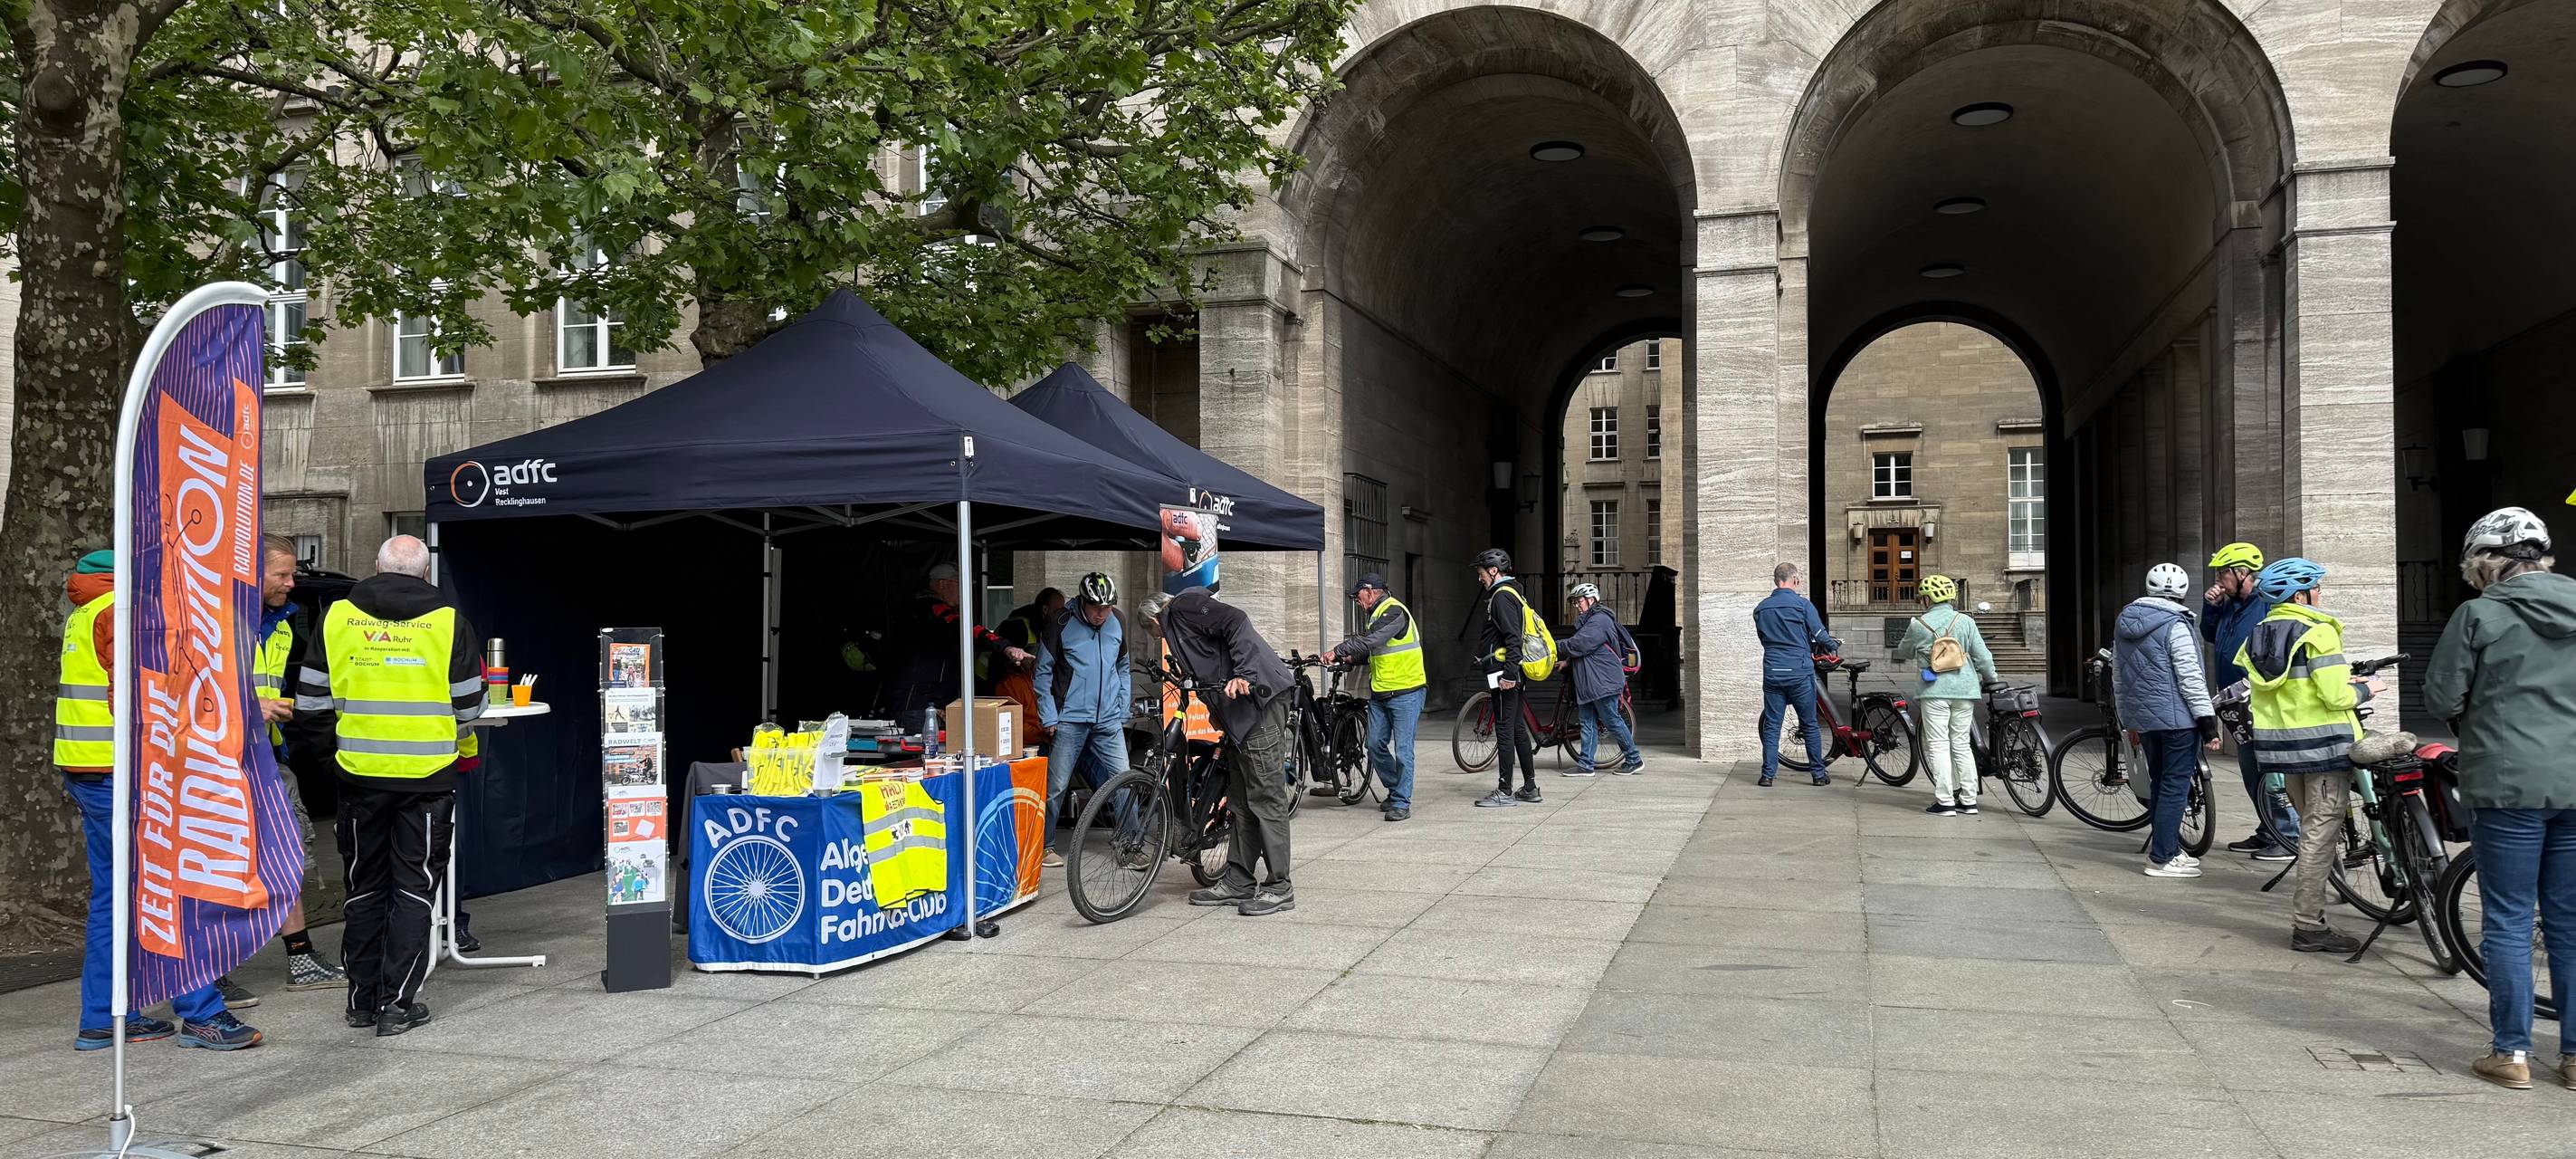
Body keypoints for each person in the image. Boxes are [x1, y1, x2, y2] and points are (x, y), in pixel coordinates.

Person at [56, 549, 264, 1051]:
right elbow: (134, 697)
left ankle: (103, 1018)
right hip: (125, 773)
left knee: (113, 898)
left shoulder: (86, 610)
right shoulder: (118, 610)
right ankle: (201, 1015)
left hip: (90, 769)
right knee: (173, 890)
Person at [295, 534, 484, 1036]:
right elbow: (469, 706)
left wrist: (332, 760)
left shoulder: (336, 617)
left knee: (363, 888)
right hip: (427, 781)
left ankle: (361, 1002)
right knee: (414, 889)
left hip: (358, 777)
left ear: (374, 567)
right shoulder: (449, 622)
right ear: (425, 575)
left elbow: (310, 704)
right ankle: (397, 1006)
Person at [2422, 507, 2576, 1090]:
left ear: (2489, 564)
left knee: (2509, 919)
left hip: (2507, 783)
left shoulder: (2479, 616)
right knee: (2569, 921)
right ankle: (2575, 1056)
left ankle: (2510, 1053)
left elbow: (2440, 696)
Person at [2235, 556, 2388, 953]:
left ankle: (2323, 903)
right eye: (2316, 587)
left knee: (2310, 829)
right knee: (2319, 837)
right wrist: (2368, 689)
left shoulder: (2259, 633)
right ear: (2300, 593)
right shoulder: (2319, 632)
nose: (2320, 593)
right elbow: (2335, 695)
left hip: (2282, 751)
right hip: (2324, 749)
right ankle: (2308, 925)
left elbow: (2286, 687)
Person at [1136, 589, 1295, 915]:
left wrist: (1244, 674)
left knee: (1266, 798)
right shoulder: (1179, 627)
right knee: (1240, 800)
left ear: (1153, 620)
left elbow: (1236, 621)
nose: (1157, 636)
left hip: (1259, 703)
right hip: (1240, 714)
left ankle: (1280, 887)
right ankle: (1238, 880)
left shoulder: (1182, 607)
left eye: (1153, 632)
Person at [254, 534, 347, 991]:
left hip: (269, 759)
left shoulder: (284, 623)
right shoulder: (216, 622)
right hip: (217, 761)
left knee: (290, 855)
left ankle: (301, 959)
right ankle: (210, 974)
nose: (292, 583)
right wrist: (257, 707)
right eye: (283, 574)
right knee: (224, 863)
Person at [2113, 563, 2223, 876]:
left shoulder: (2125, 621)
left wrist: (2127, 719)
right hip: (2177, 720)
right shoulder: (2176, 624)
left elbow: (2119, 677)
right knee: (2175, 787)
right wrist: (2207, 722)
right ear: (2184, 594)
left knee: (2161, 783)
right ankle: (2162, 857)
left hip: (2144, 720)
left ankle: (2170, 848)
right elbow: (2190, 677)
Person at [2205, 541, 2298, 862]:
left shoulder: (2265, 604)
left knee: (2268, 768)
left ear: (2243, 573)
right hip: (2236, 701)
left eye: (2223, 573)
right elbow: (2209, 634)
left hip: (2258, 697)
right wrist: (2213, 607)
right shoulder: (2230, 604)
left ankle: (2286, 836)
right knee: (2250, 769)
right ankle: (2267, 829)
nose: (2219, 580)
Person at [1034, 573, 1129, 867]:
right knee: (1057, 786)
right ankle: (1046, 846)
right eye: (1096, 607)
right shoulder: (1061, 623)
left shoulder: (1118, 621)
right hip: (1070, 719)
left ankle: (1129, 843)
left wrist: (1122, 705)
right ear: (1083, 602)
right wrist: (1049, 715)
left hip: (1108, 721)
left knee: (1125, 782)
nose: (1102, 614)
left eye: (1107, 607)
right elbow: (1042, 672)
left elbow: (1123, 665)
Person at [1894, 574, 2001, 815]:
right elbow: (1983, 656)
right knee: (1962, 744)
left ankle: (1945, 801)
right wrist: (1991, 678)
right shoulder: (1965, 622)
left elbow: (1903, 651)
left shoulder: (1919, 624)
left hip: (1934, 692)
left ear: (1928, 599)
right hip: (1964, 690)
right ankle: (1969, 799)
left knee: (1939, 745)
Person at [1332, 573, 1427, 820]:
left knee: (1404, 751)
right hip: (1381, 692)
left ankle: (1401, 803)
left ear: (1370, 591)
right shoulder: (1377, 616)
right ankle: (1397, 789)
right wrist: (1350, 659)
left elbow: (1372, 640)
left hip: (1407, 691)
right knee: (1373, 746)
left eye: (1358, 596)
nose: (1357, 601)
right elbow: (1377, 650)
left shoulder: (1394, 612)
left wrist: (1337, 651)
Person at [882, 562, 1029, 719]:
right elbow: (965, 628)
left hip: (920, 702)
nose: (964, 590)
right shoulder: (932, 608)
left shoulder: (916, 608)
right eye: (960, 584)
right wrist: (1005, 647)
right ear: (943, 584)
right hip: (921, 703)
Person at [1754, 562, 1841, 788]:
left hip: (1773, 671)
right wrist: (1833, 646)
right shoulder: (1803, 605)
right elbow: (1820, 634)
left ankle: (1767, 776)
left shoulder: (1761, 608)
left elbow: (1763, 639)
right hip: (1799, 672)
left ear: (1776, 581)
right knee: (1810, 724)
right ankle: (1818, 775)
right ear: (1794, 579)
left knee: (1772, 725)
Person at [1472, 550, 1544, 808]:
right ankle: (1530, 787)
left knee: (1504, 730)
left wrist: (1510, 675)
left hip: (1505, 674)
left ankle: (1505, 791)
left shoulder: (1502, 597)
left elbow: (1513, 637)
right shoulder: (1514, 593)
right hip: (1509, 672)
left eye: (1481, 573)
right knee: (1515, 730)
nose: (1479, 578)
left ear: (1493, 571)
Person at [1560, 583, 1645, 779]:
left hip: (1602, 682)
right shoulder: (1590, 621)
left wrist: (1553, 646)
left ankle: (1634, 759)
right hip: (1590, 682)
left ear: (1591, 600)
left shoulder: (1600, 620)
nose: (1576, 606)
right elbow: (1589, 649)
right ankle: (1585, 765)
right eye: (1575, 602)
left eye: (1579, 601)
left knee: (1611, 720)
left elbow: (1581, 643)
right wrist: (1568, 661)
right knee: (1587, 722)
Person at [1000, 588, 1066, 654]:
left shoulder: (1045, 625)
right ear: (1045, 609)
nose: (1062, 615)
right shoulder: (1017, 626)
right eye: (1059, 611)